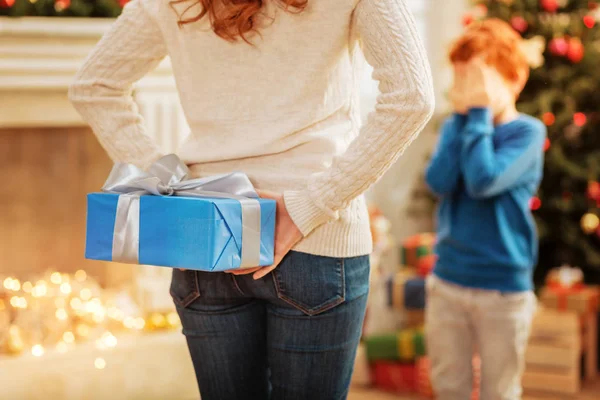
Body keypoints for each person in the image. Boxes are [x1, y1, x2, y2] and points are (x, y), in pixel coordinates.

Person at [69, 0, 434, 399]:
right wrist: (307, 206)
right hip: (317, 245)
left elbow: (93, 87)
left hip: (208, 235)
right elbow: (412, 95)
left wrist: (170, 181)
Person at [424, 19, 546, 400]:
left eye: (478, 78)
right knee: (449, 384)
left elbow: (483, 179)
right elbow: (439, 181)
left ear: (514, 80)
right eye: (461, 78)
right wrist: (464, 119)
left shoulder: (526, 133)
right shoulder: (457, 126)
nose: (467, 89)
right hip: (449, 281)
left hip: (503, 290)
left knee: (500, 389)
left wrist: (477, 115)